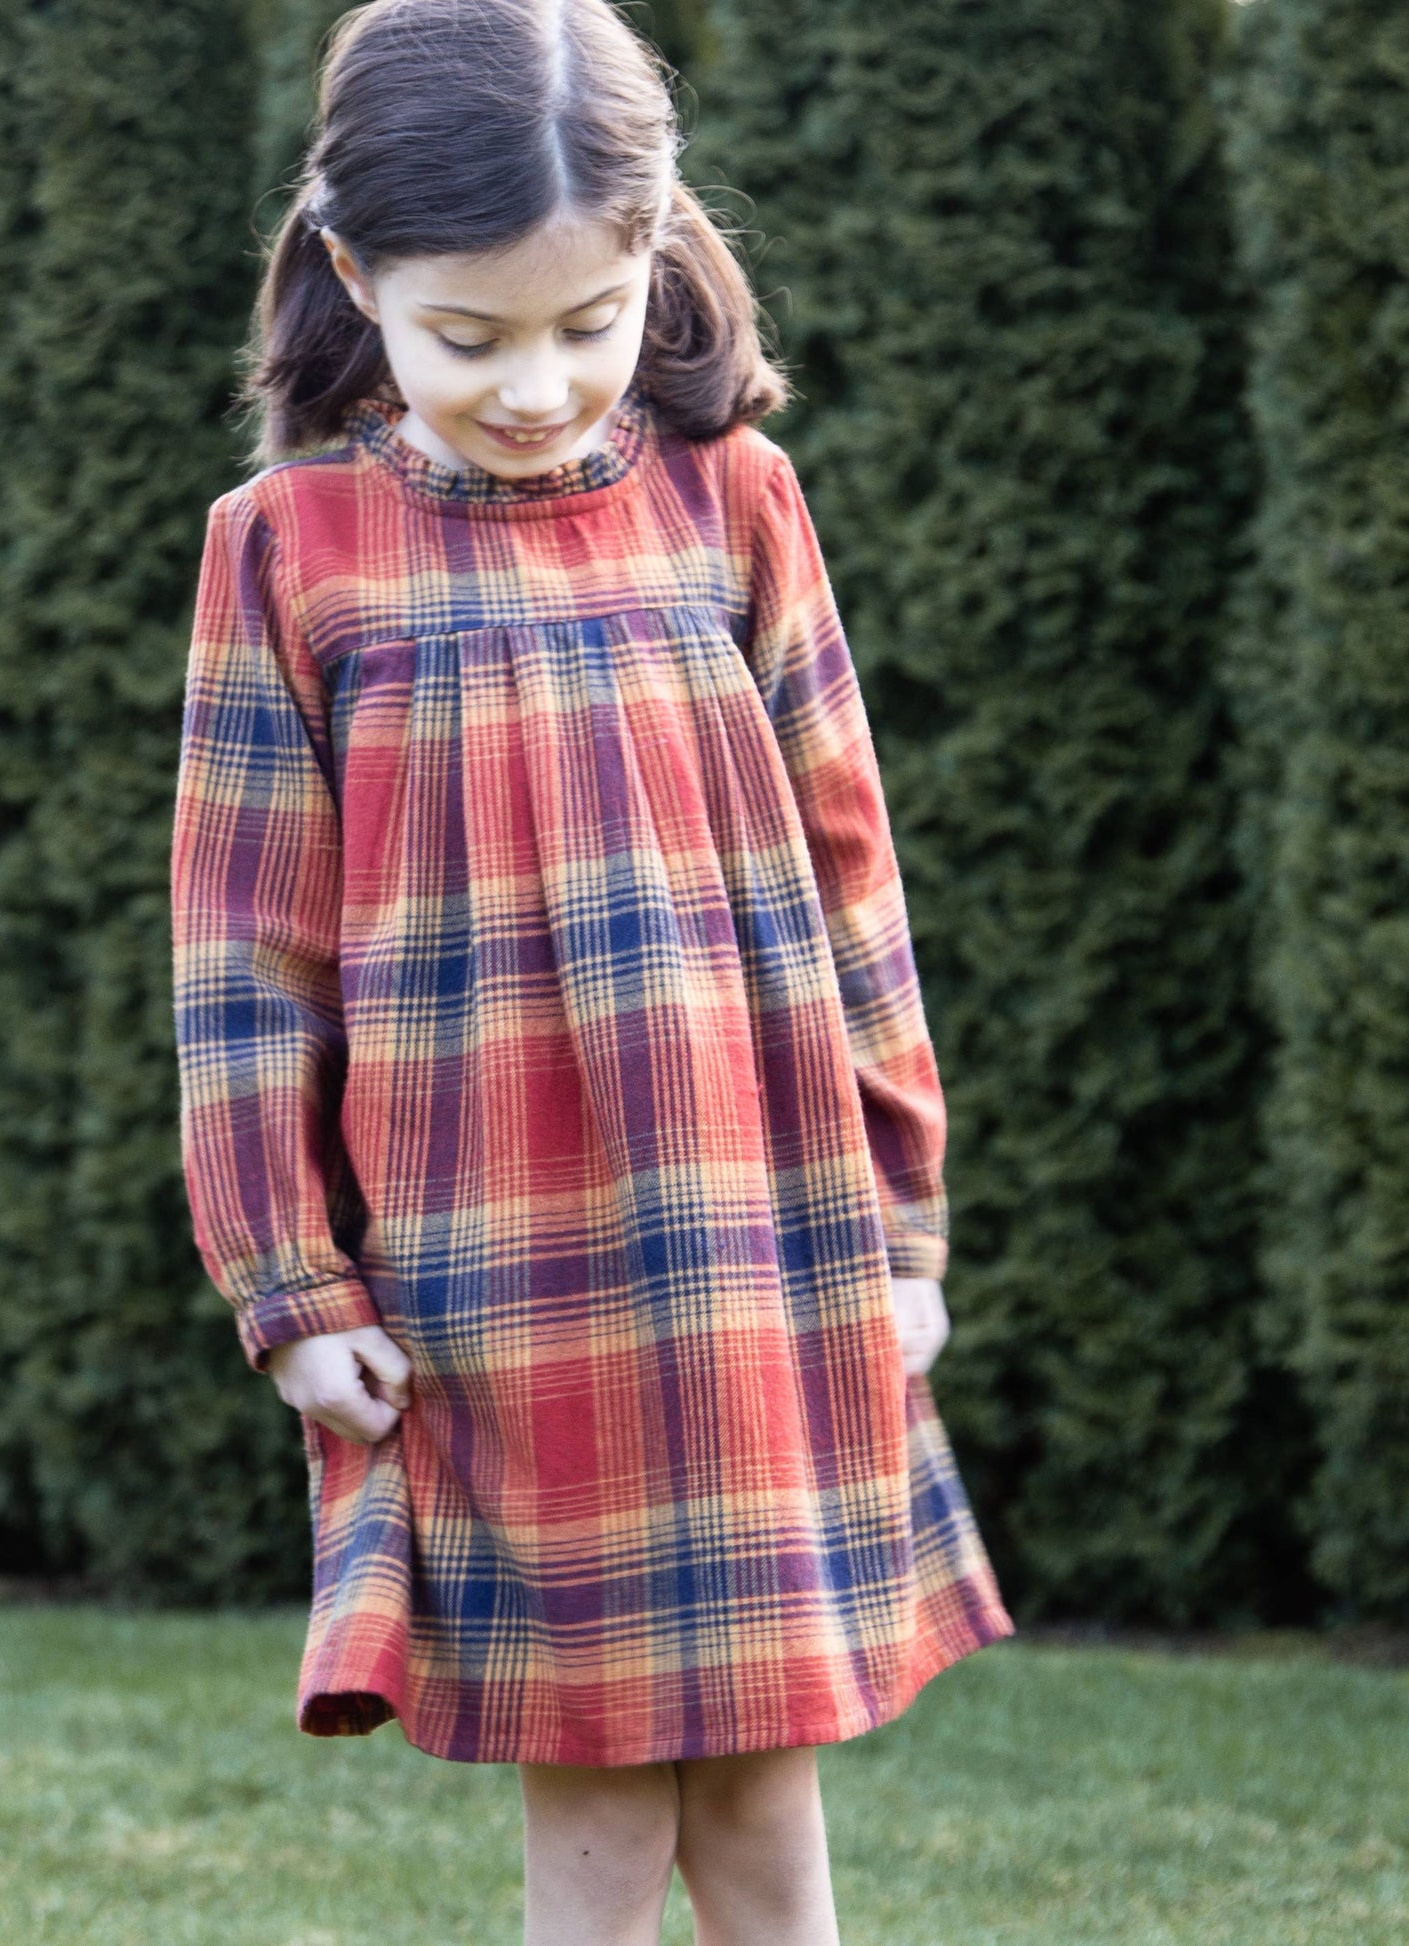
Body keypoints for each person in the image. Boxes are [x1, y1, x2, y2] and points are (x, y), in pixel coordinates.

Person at [171, 3, 1012, 1940]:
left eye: (589, 318)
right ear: (355, 275)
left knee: (769, 1798)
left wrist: (902, 1229)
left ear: (656, 257)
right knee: (603, 1811)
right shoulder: (288, 548)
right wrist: (286, 1281)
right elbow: (241, 959)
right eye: (471, 337)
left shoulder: (738, 501)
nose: (538, 383)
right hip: (495, 1257)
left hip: (758, 1228)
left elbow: (851, 881)